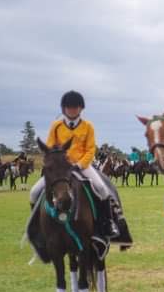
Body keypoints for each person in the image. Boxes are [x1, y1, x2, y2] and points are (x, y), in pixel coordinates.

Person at [29, 90, 119, 239]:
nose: (72, 110)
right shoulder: (56, 126)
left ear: (81, 108)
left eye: (75, 107)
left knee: (102, 189)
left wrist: (79, 164)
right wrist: (56, 163)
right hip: (59, 169)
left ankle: (107, 223)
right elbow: (51, 148)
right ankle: (37, 226)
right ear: (64, 108)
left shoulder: (88, 126)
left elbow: (90, 149)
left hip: (82, 166)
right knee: (33, 192)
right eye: (69, 107)